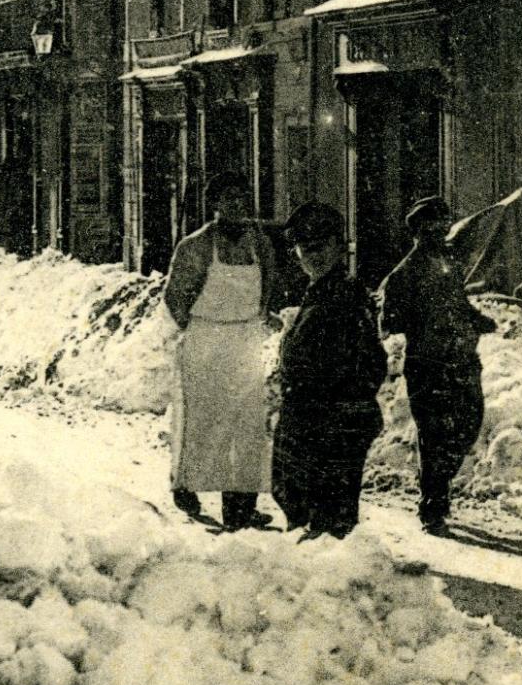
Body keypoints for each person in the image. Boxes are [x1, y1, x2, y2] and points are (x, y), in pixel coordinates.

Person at [377, 194, 497, 535]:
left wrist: (477, 319)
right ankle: (433, 505)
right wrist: (423, 323)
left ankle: (437, 487)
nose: (439, 232)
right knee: (434, 434)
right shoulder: (404, 273)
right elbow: (389, 321)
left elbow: (458, 303)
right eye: (431, 227)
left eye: (442, 225)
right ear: (417, 232)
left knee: (469, 422)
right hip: (428, 363)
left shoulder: (447, 264)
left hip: (460, 359)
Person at [163, 175, 274, 531]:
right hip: (206, 340)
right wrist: (201, 329)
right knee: (203, 423)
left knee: (247, 426)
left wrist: (259, 314)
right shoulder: (195, 246)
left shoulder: (259, 242)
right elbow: (175, 297)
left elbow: (269, 282)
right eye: (229, 199)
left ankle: (241, 506)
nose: (237, 206)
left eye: (243, 198)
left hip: (246, 340)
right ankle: (186, 486)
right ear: (215, 204)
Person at [272, 201, 387, 540]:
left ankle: (330, 582)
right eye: (305, 249)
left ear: (339, 246)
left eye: (322, 247)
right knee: (307, 506)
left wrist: (335, 402)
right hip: (312, 420)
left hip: (331, 422)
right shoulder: (318, 292)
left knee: (327, 517)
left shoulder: (346, 295)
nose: (313, 256)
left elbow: (370, 363)